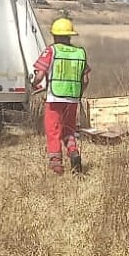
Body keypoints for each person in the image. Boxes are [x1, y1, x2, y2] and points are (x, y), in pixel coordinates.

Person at [30, 17, 90, 175]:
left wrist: (33, 84)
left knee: (53, 130)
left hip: (55, 98)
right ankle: (73, 151)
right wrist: (78, 94)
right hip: (72, 99)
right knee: (68, 129)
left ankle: (56, 164)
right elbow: (85, 79)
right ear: (70, 36)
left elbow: (40, 74)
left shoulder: (51, 50)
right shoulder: (79, 53)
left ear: (55, 36)